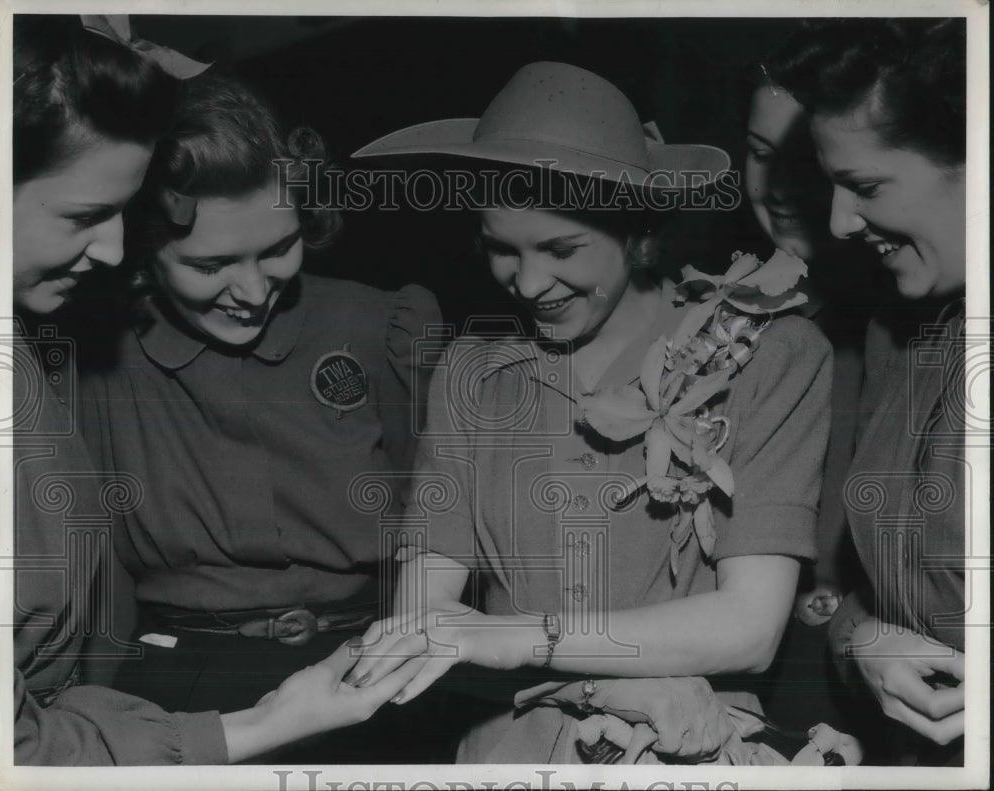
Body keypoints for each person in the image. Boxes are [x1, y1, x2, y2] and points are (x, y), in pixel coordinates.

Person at [347, 61, 833, 763]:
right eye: (500, 250)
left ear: (639, 232)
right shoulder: (471, 370)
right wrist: (595, 687)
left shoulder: (770, 353)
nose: (530, 282)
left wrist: (521, 638)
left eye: (562, 249)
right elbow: (421, 622)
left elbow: (749, 630)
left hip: (688, 747)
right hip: (506, 749)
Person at [10, 15, 417, 766]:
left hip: (365, 673)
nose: (254, 290)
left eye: (280, 248)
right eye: (212, 264)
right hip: (166, 702)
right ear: (145, 246)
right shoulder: (80, 361)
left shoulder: (379, 325)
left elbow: (448, 522)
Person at [770, 18, 968, 764]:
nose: (838, 221)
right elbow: (874, 594)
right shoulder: (912, 335)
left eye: (864, 186)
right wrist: (865, 638)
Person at [739, 53, 886, 737]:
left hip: (847, 694)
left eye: (804, 161)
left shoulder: (903, 328)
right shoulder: (718, 310)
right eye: (759, 154)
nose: (776, 187)